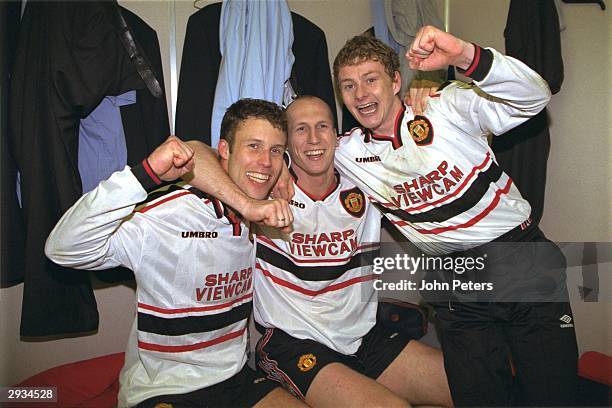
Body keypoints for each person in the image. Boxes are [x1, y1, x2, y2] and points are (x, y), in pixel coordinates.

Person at [330, 26, 578, 406]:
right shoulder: (346, 154)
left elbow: (534, 97)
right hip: (452, 280)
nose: (360, 94)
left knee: (553, 394)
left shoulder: (444, 105)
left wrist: (464, 55)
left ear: (396, 81)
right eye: (348, 86)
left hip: (519, 258)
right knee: (478, 397)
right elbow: (298, 159)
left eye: (370, 79)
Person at [44, 99, 304, 408]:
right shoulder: (171, 215)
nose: (265, 162)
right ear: (224, 150)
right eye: (254, 146)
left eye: (276, 151)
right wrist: (145, 175)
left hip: (235, 380)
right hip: (164, 388)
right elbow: (62, 249)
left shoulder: (261, 215)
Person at [253, 95, 452, 407]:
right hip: (294, 342)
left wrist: (424, 98)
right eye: (301, 130)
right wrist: (272, 173)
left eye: (322, 126)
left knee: (472, 382)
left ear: (337, 134)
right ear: (286, 142)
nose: (314, 138)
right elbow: (197, 154)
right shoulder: (261, 192)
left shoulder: (366, 180)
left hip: (363, 336)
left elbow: (420, 148)